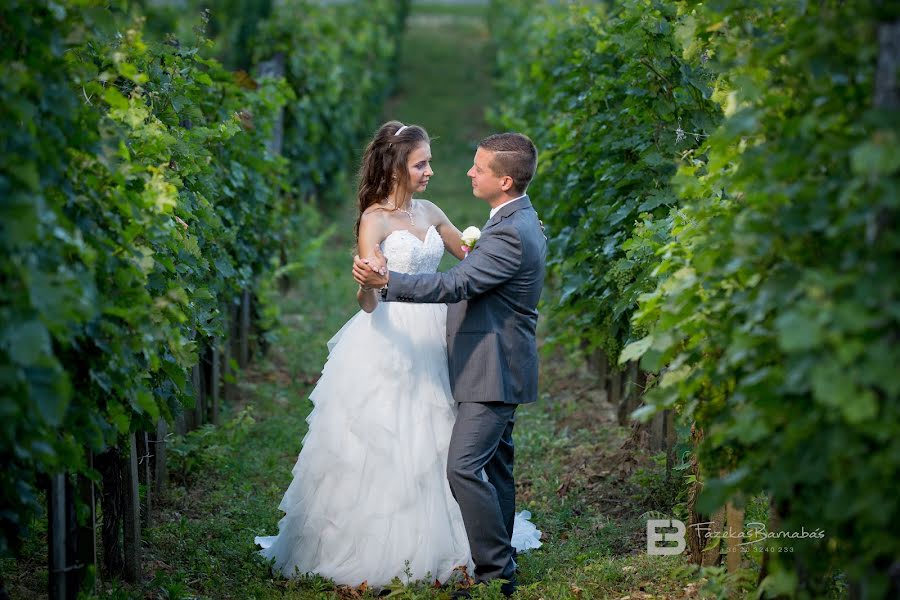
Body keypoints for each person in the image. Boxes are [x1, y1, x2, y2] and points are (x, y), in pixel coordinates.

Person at [255, 121, 541, 590]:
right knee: (388, 439)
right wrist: (371, 281)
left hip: (440, 330)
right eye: (421, 163)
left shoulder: (431, 211)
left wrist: (492, 246)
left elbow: (469, 263)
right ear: (397, 167)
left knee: (444, 439)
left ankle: (468, 545)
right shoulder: (375, 219)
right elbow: (367, 301)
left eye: (429, 161)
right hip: (390, 335)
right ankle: (393, 543)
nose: (431, 170)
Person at [353, 131, 546, 597]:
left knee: (462, 467)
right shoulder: (515, 221)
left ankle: (496, 572)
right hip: (489, 358)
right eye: (424, 163)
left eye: (477, 168)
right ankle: (501, 556)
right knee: (496, 466)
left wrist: (387, 281)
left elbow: (456, 284)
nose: (466, 173)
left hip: (492, 365)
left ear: (503, 181)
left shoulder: (510, 234)